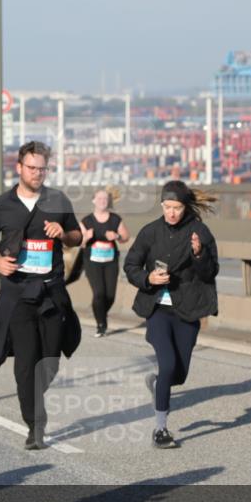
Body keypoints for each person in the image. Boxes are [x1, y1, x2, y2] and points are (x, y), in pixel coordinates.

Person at [0, 141, 82, 450]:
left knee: (49, 363)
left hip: (51, 291)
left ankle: (36, 399)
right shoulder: (1, 205)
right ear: (19, 168)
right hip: (18, 293)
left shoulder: (57, 199)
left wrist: (62, 234)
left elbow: (76, 237)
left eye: (42, 168)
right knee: (25, 364)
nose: (37, 173)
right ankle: (35, 425)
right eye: (32, 167)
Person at [123, 180, 219, 449]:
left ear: (185, 206)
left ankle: (156, 383)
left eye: (176, 207)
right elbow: (130, 265)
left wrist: (200, 254)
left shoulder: (200, 232)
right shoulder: (150, 232)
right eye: (167, 207)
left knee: (178, 374)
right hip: (158, 310)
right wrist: (148, 278)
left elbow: (211, 272)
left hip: (188, 310)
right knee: (167, 365)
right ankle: (160, 429)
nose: (172, 213)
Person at [78, 186, 130, 337]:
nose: (102, 201)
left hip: (110, 261)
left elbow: (126, 237)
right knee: (99, 292)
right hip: (92, 261)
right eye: (99, 199)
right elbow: (79, 243)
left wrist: (117, 237)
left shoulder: (115, 220)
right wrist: (86, 237)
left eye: (105, 199)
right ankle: (101, 324)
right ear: (94, 200)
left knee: (110, 296)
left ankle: (99, 313)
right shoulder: (86, 221)